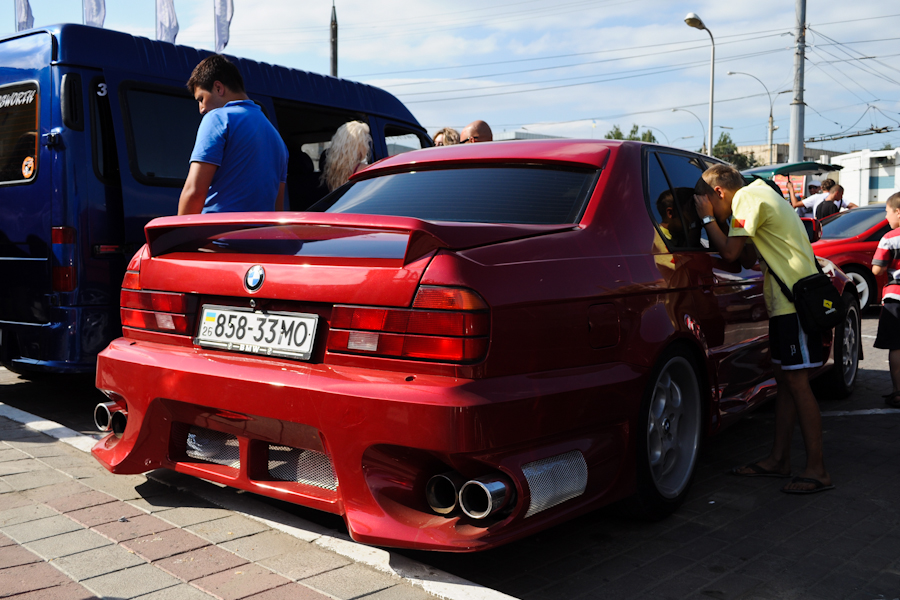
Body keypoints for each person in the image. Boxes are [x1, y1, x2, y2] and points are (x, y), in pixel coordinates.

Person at [694, 164, 833, 494]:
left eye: (707, 201)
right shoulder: (758, 195)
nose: (708, 208)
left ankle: (818, 470)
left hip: (794, 303)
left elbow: (730, 252)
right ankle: (778, 459)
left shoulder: (747, 198)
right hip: (786, 303)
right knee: (785, 380)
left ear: (718, 193)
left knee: (797, 383)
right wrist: (722, 221)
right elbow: (746, 258)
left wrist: (706, 219)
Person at [178, 55, 288, 215]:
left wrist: (178, 231)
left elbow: (194, 193)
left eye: (201, 99)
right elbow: (277, 211)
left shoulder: (217, 118)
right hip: (260, 231)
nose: (201, 109)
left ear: (218, 88)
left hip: (217, 230)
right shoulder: (277, 139)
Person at [871, 192, 900, 408]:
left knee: (896, 346)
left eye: (887, 212)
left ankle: (898, 392)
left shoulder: (890, 238)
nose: (886, 216)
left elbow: (877, 269)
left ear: (898, 212)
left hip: (896, 298)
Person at [322, 121, 371, 192]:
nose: (367, 147)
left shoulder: (331, 172)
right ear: (360, 146)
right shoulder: (365, 170)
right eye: (366, 142)